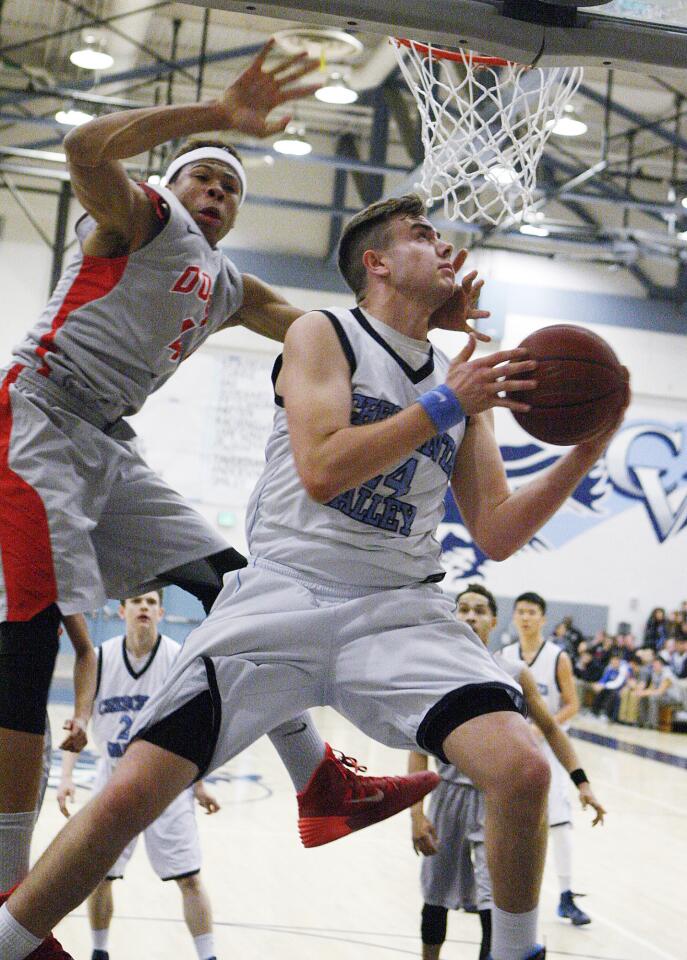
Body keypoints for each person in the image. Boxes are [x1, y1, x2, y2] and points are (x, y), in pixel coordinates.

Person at [0, 192, 629, 960]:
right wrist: (443, 402)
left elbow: (495, 531)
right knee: (129, 792)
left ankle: (515, 952)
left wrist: (583, 454)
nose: (444, 248)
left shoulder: (461, 386)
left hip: (398, 609)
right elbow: (324, 467)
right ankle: (10, 940)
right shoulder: (322, 334)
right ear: (377, 262)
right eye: (422, 235)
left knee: (523, 770)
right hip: (282, 596)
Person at [0, 38, 447, 900]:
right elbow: (85, 149)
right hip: (35, 419)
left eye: (231, 186)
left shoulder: (228, 284)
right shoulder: (138, 218)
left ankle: (321, 784)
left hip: (106, 446)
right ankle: (10, 889)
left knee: (239, 586)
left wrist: (428, 310)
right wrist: (218, 118)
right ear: (169, 186)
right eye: (203, 177)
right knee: (28, 639)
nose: (216, 192)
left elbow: (336, 330)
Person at [409, 583, 606, 960]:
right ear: (454, 616)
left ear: (493, 621)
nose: (470, 615)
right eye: (463, 608)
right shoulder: (434, 670)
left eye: (479, 610)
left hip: (495, 797)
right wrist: (417, 813)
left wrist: (583, 782)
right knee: (434, 897)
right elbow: (416, 747)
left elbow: (551, 729)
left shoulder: (513, 671)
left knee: (494, 900)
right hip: (447, 794)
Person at [57, 592, 221, 960]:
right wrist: (66, 778)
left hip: (168, 783)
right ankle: (99, 953)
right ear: (122, 611)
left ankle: (208, 956)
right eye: (136, 602)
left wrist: (199, 784)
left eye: (150, 602)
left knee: (190, 877)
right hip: (113, 778)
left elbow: (194, 726)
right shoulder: (99, 658)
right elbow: (78, 723)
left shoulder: (178, 658)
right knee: (99, 875)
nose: (143, 607)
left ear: (161, 611)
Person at [500, 593, 592, 927]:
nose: (525, 617)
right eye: (520, 612)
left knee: (559, 820)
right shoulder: (503, 656)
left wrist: (541, 728)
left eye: (532, 612)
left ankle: (566, 895)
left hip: (548, 748)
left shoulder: (557, 658)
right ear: (512, 617)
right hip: (511, 748)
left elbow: (572, 704)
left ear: (543, 618)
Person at [0, 612, 95, 892]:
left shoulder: (53, 575)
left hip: (22, 724)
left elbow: (86, 651)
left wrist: (82, 716)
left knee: (8, 864)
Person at [635, 653, 684, 729]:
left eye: (655, 664)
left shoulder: (667, 674)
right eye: (653, 664)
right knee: (643, 697)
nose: (653, 665)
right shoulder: (655, 673)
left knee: (653, 698)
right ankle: (642, 722)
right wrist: (643, 693)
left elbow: (660, 691)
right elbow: (653, 689)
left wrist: (644, 692)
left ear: (661, 664)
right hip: (664, 696)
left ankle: (653, 725)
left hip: (674, 698)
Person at [590, 651, 630, 722]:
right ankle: (594, 712)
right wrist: (599, 684)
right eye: (612, 660)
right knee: (601, 690)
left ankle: (605, 714)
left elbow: (618, 683)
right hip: (609, 687)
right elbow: (604, 679)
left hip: (620, 689)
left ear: (619, 660)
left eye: (616, 660)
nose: (614, 662)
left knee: (612, 693)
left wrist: (604, 686)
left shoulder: (624, 668)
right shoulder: (609, 667)